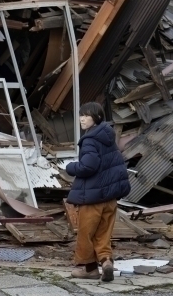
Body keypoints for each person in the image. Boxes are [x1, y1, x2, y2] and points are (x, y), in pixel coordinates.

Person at [65, 102, 131, 282]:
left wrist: (70, 167)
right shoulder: (108, 137)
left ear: (97, 118)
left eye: (86, 116)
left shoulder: (90, 140)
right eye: (81, 115)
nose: (82, 119)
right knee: (103, 233)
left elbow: (88, 166)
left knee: (86, 233)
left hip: (93, 197)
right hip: (110, 198)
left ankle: (90, 269)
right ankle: (106, 261)